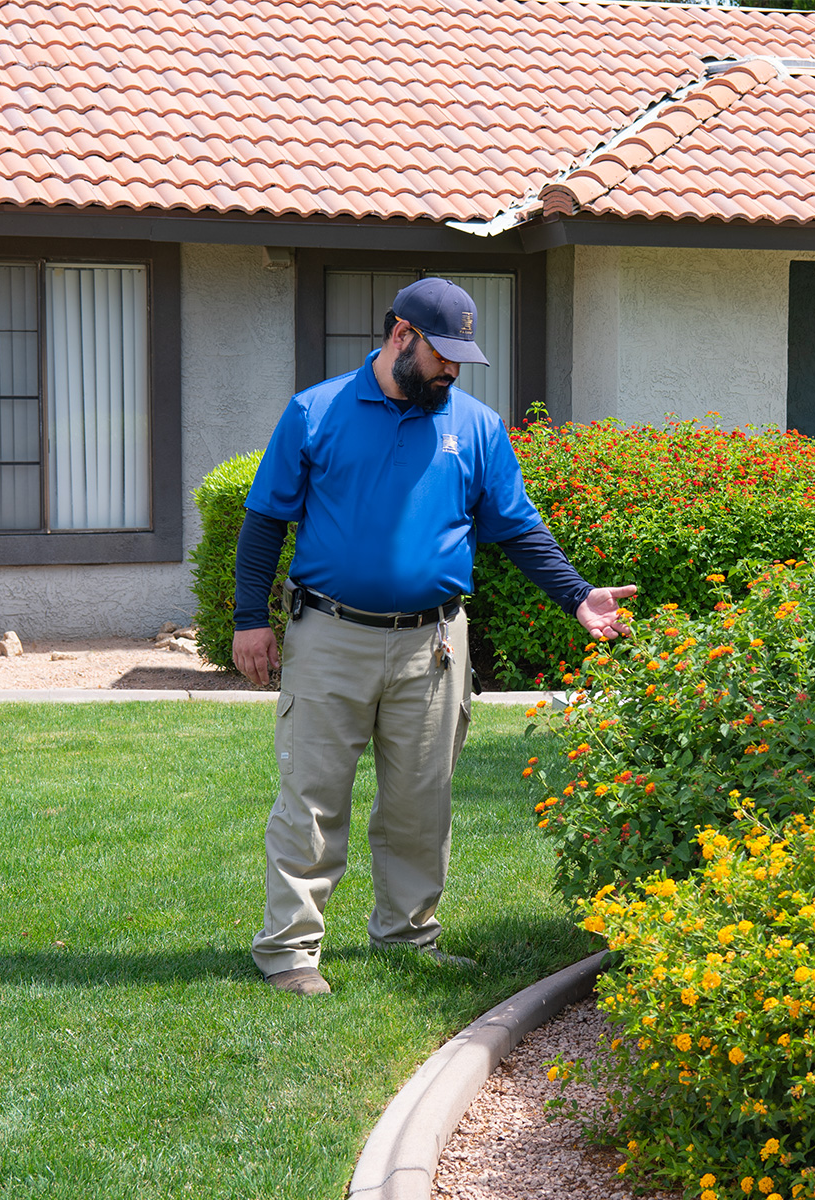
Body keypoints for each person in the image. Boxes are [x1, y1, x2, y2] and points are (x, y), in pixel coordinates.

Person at [232, 277, 637, 996]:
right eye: (441, 356)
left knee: (423, 802)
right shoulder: (315, 412)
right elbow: (265, 519)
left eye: (459, 359)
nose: (450, 371)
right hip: (330, 636)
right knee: (312, 798)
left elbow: (514, 524)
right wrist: (248, 621)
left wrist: (578, 595)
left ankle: (407, 936)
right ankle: (290, 952)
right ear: (400, 336)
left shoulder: (474, 425)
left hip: (435, 645)